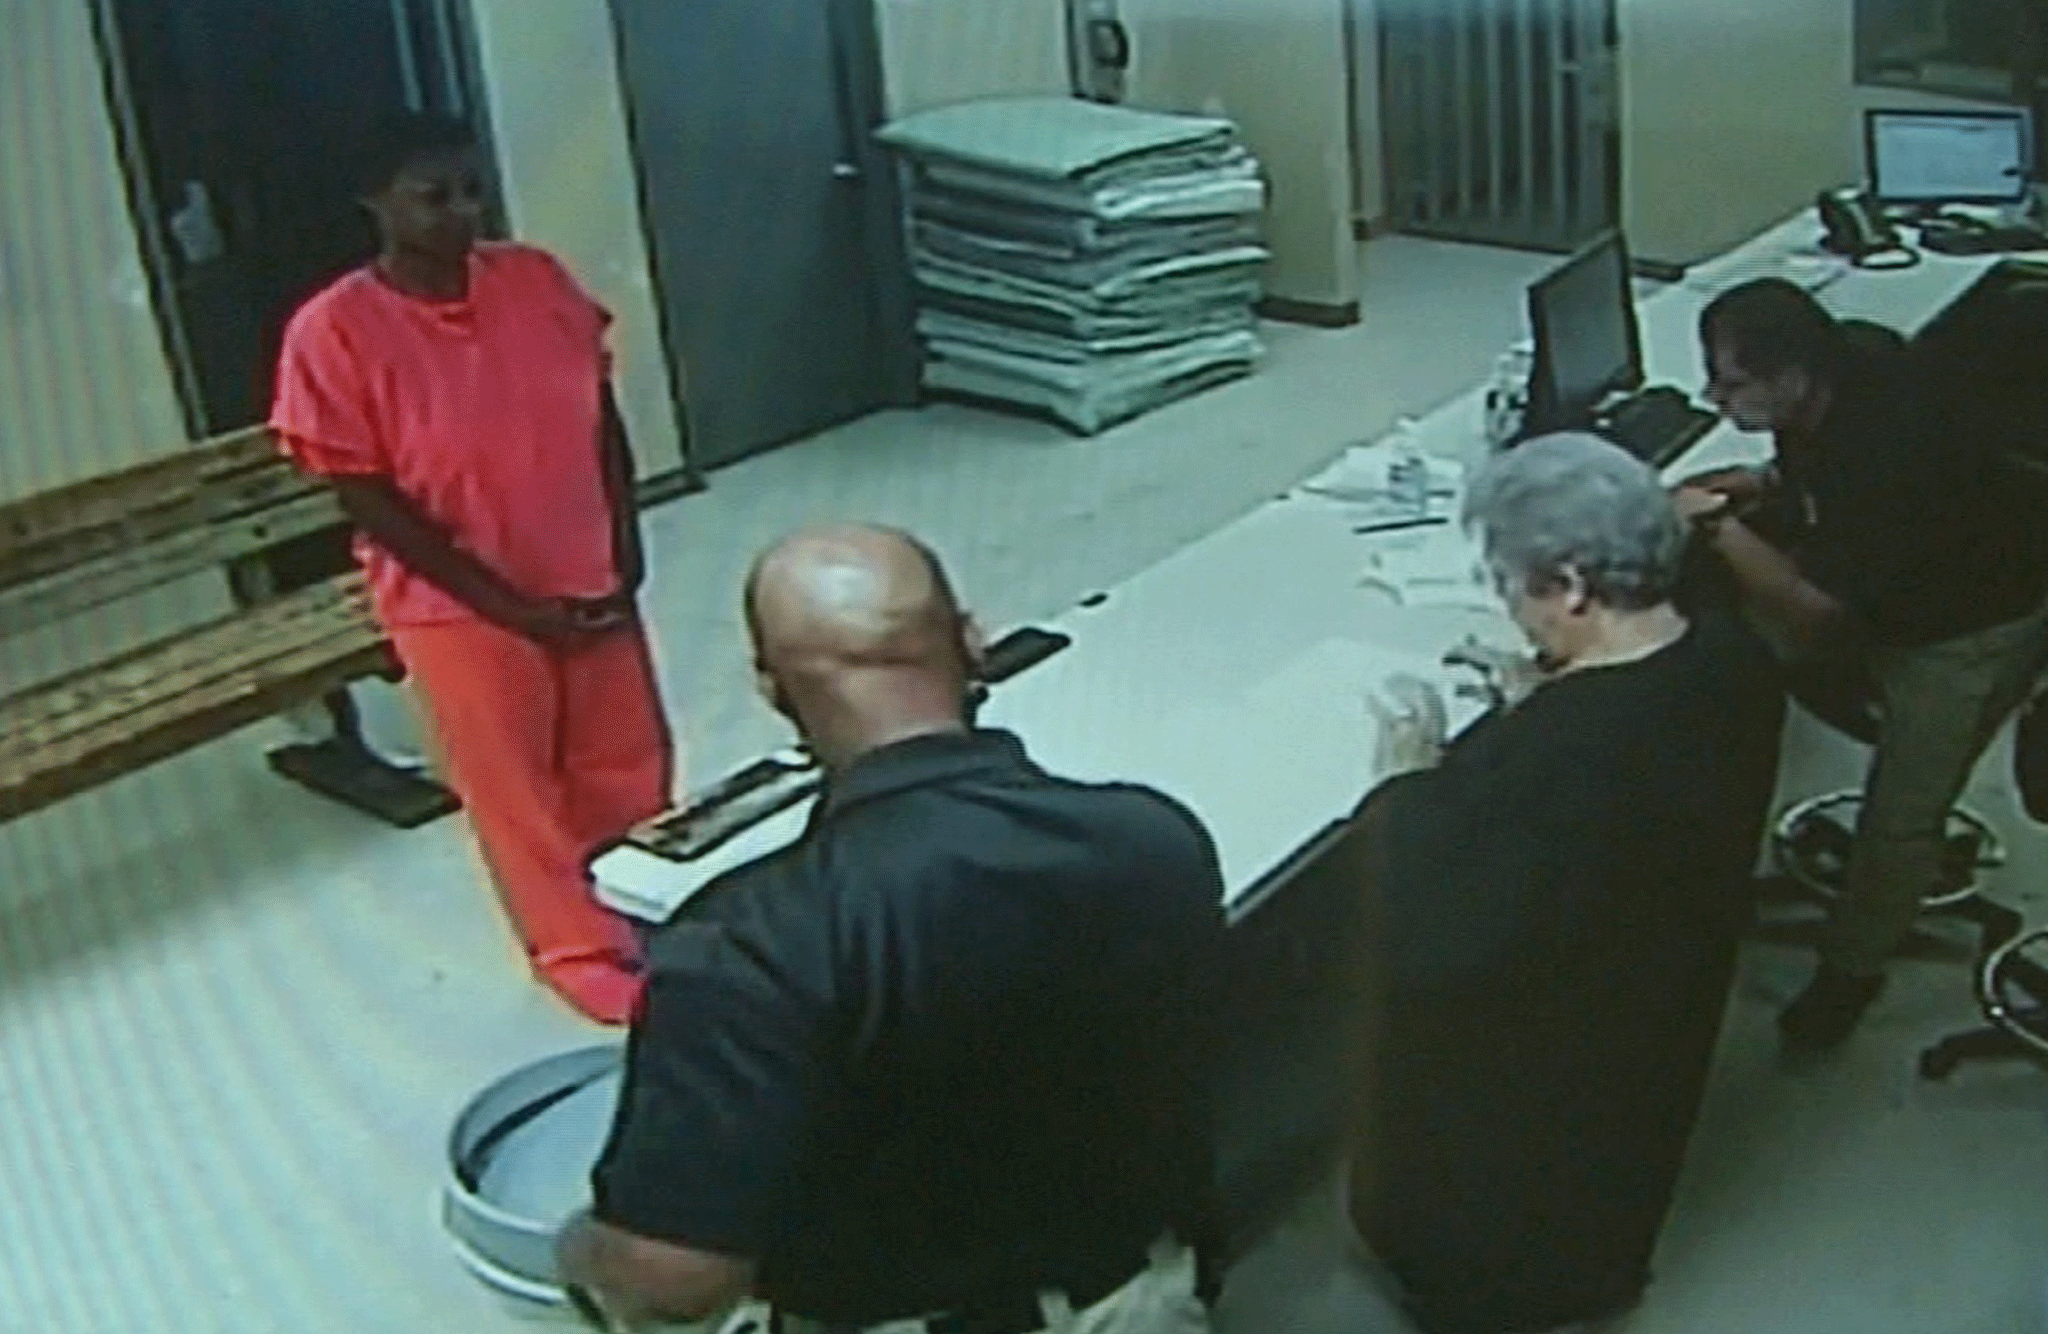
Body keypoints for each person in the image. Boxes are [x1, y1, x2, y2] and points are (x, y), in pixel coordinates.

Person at [558, 525, 1223, 1334]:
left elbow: (675, 1284)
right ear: (973, 641)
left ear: (771, 689)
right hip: (1143, 1297)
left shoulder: (745, 944)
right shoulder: (1152, 837)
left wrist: (584, 1250)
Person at [1347, 434, 1784, 1334]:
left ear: (1575, 585)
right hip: (1653, 1024)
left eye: (1515, 587)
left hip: (1525, 1102)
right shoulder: (1732, 662)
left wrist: (1404, 781)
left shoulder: (1559, 759)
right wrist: (1545, 695)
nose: (1514, 614)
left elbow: (1438, 940)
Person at [269, 110, 674, 1025]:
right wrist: (506, 604)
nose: (460, 212)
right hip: (459, 604)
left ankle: (648, 901)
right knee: (517, 786)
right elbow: (363, 493)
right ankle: (578, 949)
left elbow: (596, 411)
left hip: (586, 572)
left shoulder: (532, 279)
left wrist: (624, 540)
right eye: (431, 196)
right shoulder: (334, 331)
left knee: (627, 756)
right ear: (375, 202)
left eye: (470, 190)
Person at [1679, 278, 2048, 1050]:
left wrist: (1717, 526)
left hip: (1974, 625)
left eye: (1732, 381)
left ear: (1791, 375)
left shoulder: (1892, 445)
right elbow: (1825, 484)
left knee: (1901, 819)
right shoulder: (1849, 367)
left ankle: (1848, 977)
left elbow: (1817, 614)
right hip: (1907, 572)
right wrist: (1764, 488)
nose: (1715, 397)